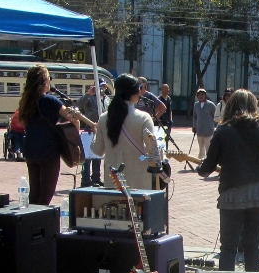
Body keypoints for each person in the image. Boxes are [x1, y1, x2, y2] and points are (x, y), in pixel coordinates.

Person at [198, 89, 259, 272]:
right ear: (253, 106)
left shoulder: (223, 130)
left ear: (231, 106)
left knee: (228, 247)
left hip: (232, 194)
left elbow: (208, 168)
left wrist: (200, 169)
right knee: (252, 243)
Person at [18, 64, 80, 205]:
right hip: (48, 151)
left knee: (34, 193)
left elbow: (22, 122)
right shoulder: (50, 100)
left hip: (30, 151)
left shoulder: (26, 101)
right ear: (44, 81)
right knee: (46, 194)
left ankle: (30, 222)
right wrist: (76, 119)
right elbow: (72, 119)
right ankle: (40, 224)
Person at [91, 74, 156, 190]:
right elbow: (153, 152)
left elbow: (98, 150)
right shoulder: (144, 118)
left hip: (113, 181)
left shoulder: (104, 118)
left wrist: (95, 132)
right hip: (139, 181)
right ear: (135, 94)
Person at [77, 82, 104, 187]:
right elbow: (79, 104)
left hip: (100, 128)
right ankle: (85, 179)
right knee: (87, 156)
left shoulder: (105, 99)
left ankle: (96, 177)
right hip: (89, 128)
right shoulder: (90, 97)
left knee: (98, 154)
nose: (103, 88)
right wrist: (88, 94)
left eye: (104, 86)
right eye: (100, 86)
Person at [192, 88, 216, 160]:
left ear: (205, 95)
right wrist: (194, 126)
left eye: (202, 94)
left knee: (208, 147)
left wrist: (212, 125)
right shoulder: (196, 105)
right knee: (200, 147)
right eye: (199, 95)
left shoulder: (211, 105)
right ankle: (200, 161)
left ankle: (209, 161)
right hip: (199, 130)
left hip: (208, 130)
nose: (201, 96)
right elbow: (194, 117)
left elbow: (215, 116)